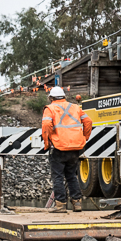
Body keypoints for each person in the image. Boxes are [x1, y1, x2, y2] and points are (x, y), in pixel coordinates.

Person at [42, 85, 92, 213]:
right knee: (71, 175)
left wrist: (47, 143)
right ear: (64, 96)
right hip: (75, 147)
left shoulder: (50, 108)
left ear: (51, 98)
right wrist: (84, 138)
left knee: (58, 176)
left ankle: (60, 205)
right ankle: (77, 204)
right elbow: (88, 121)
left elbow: (47, 125)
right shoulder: (75, 107)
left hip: (59, 147)